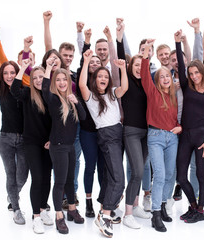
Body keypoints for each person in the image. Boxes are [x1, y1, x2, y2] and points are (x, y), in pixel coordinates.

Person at [79, 49, 128, 238]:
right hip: (107, 135)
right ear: (95, 79)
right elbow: (82, 83)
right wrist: (85, 62)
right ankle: (106, 215)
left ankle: (104, 209)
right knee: (119, 180)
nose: (103, 79)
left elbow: (124, 88)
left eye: (106, 77)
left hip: (118, 133)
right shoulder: (90, 96)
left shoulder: (113, 94)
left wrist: (123, 70)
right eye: (100, 76)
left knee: (110, 177)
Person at [174, 29, 204, 223]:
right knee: (181, 176)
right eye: (191, 73)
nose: (193, 76)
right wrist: (177, 43)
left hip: (202, 137)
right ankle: (192, 205)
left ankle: (200, 211)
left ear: (202, 72)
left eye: (196, 72)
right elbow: (181, 65)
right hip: (185, 136)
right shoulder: (186, 85)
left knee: (201, 174)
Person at [0, 41, 29, 224]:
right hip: (6, 140)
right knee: (11, 174)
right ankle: (16, 209)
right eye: (6, 73)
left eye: (12, 72)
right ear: (2, 76)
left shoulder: (25, 91)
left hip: (24, 139)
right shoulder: (0, 89)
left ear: (17, 73)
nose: (9, 76)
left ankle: (13, 194)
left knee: (22, 175)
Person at [141, 39, 182, 232]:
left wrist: (180, 127)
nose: (165, 78)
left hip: (172, 138)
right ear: (157, 79)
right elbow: (143, 74)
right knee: (160, 175)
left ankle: (164, 206)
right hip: (156, 137)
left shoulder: (174, 95)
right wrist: (147, 50)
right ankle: (155, 213)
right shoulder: (152, 92)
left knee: (170, 176)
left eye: (168, 76)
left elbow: (181, 115)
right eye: (162, 76)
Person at [43, 10, 82, 208]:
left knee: (73, 167)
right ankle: (61, 202)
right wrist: (47, 23)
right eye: (63, 55)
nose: (67, 58)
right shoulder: (53, 78)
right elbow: (49, 48)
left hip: (73, 128)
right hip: (58, 131)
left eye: (70, 55)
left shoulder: (73, 76)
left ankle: (71, 197)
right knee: (60, 170)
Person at [42, 57, 86, 234]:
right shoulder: (53, 99)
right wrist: (48, 67)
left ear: (68, 82)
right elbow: (45, 87)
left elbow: (83, 117)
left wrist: (76, 102)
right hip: (58, 146)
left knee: (70, 180)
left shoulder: (71, 99)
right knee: (59, 181)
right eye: (58, 79)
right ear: (55, 82)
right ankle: (59, 216)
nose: (61, 82)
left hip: (70, 146)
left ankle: (72, 210)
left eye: (64, 80)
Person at [10, 55, 53, 233]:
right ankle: (36, 217)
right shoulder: (27, 94)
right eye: (34, 77)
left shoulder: (51, 95)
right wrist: (23, 67)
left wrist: (52, 139)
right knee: (37, 178)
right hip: (32, 143)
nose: (37, 80)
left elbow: (57, 121)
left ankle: (43, 209)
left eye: (41, 77)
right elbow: (14, 89)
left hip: (49, 143)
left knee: (47, 178)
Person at [116, 25, 152, 229]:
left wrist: (146, 50)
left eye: (142, 65)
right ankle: (128, 213)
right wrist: (119, 37)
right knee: (137, 171)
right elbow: (122, 56)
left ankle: (136, 205)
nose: (139, 68)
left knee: (140, 170)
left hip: (146, 132)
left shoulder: (147, 83)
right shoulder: (127, 80)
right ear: (130, 67)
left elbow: (146, 64)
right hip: (130, 131)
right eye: (135, 65)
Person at [75, 27, 105, 218]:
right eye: (91, 61)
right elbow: (83, 62)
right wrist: (86, 42)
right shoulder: (82, 77)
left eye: (97, 62)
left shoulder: (104, 81)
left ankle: (103, 203)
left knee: (103, 167)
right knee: (90, 166)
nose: (94, 63)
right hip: (87, 132)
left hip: (104, 131)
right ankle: (88, 202)